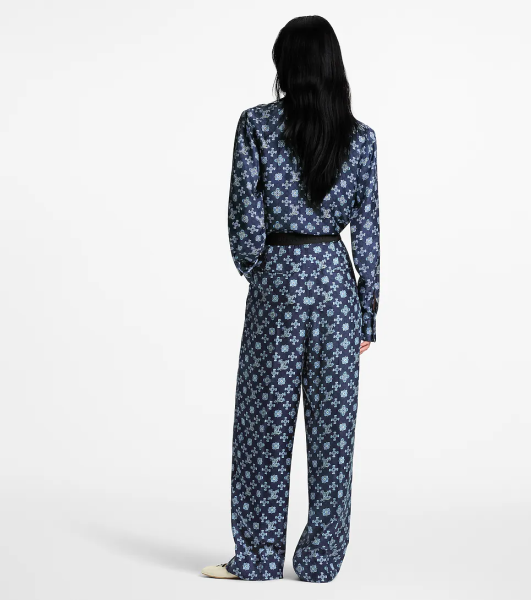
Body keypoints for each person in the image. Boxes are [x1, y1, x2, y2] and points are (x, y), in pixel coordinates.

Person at [202, 15, 380, 584]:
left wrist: (262, 270)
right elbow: (368, 231)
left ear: (286, 66)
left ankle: (257, 557)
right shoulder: (361, 139)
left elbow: (243, 215)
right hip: (335, 285)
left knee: (264, 424)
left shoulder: (256, 124)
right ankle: (320, 562)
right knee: (334, 431)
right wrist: (366, 311)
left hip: (278, 283)